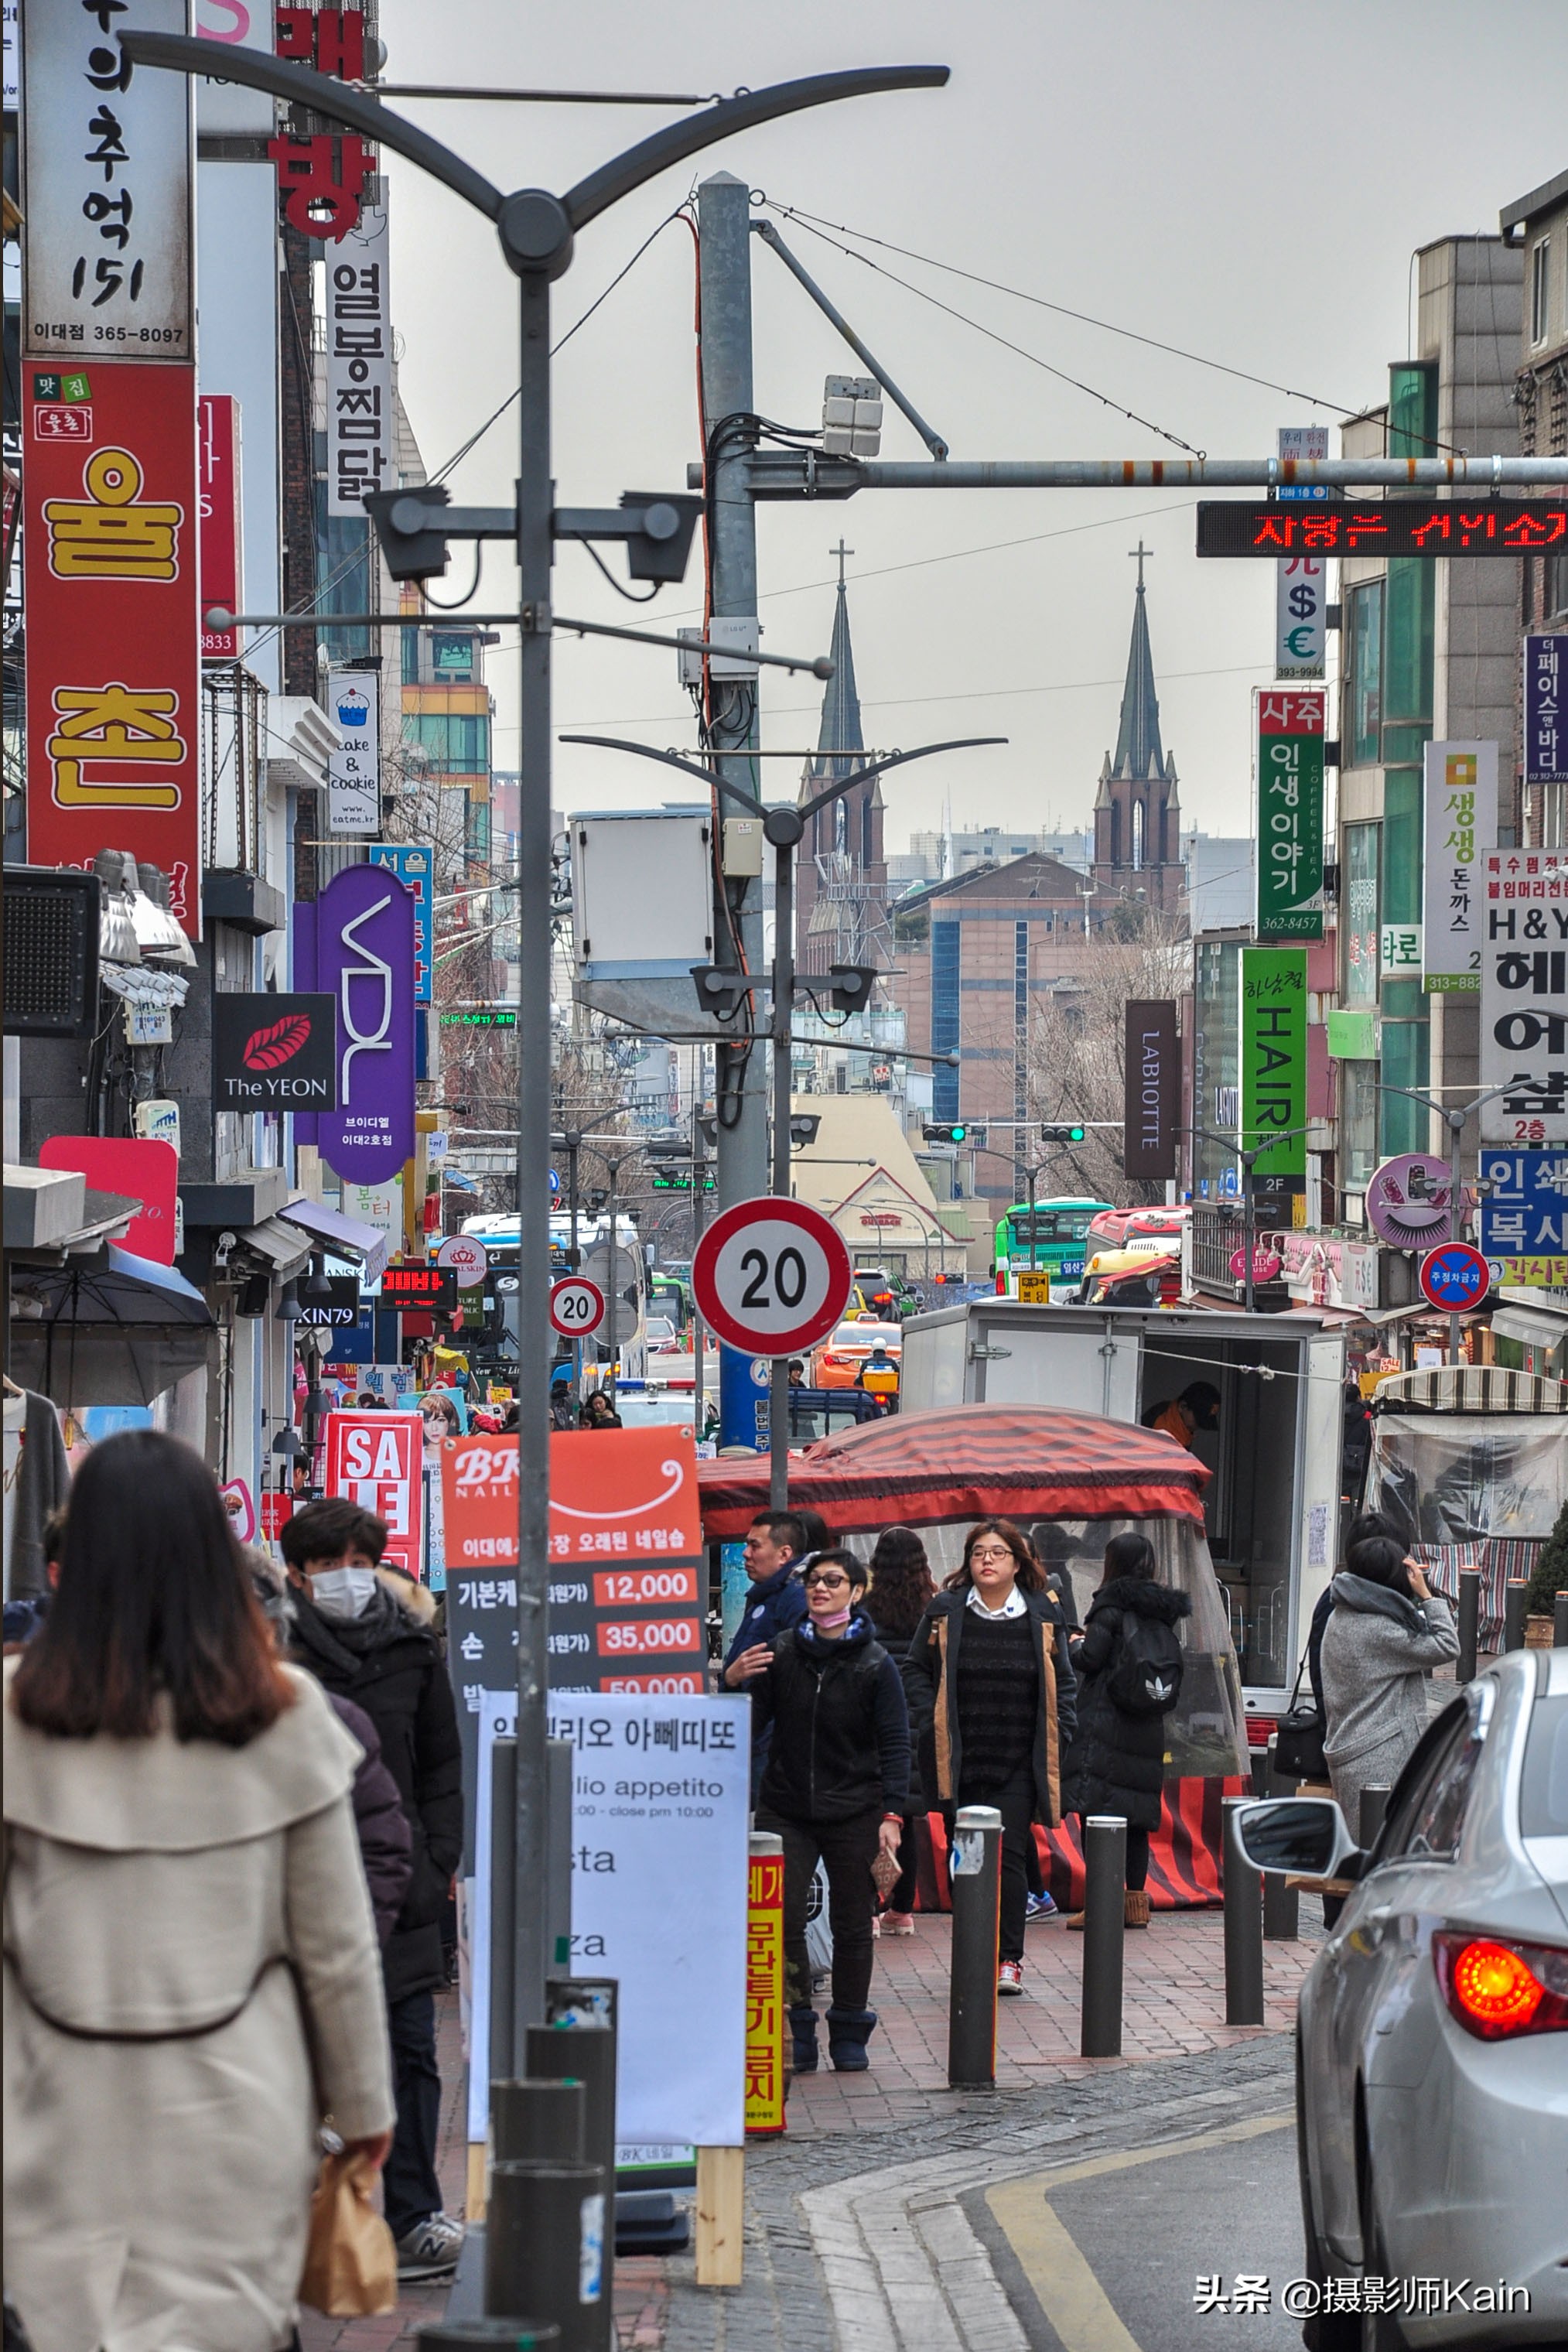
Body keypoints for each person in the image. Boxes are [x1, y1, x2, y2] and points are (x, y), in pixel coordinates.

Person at [3, 1431, 395, 2352]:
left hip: (49, 2105)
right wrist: (365, 2111)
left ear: (76, 1561)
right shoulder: (285, 1718)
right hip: (236, 2101)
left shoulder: (17, 1714)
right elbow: (335, 1949)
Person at [279, 1496, 465, 2283]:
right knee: (290, 2057)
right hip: (299, 1884)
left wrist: (438, 1857)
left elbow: (441, 1762)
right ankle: (291, 2220)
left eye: (362, 1563)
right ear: (298, 1573)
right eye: (331, 1565)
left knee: (411, 2051)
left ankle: (413, 2215)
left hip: (403, 1883)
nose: (349, 1577)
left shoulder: (412, 1648)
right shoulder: (270, 1652)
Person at [746, 1546, 910, 2073]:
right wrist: (733, 1683)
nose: (820, 1588)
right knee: (783, 1918)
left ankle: (849, 2028)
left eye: (833, 1581)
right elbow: (750, 1723)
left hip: (855, 1808)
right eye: (813, 1580)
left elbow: (896, 1743)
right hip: (785, 1806)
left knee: (852, 1922)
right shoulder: (783, 1651)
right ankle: (797, 2025)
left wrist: (892, 1815)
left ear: (856, 1592)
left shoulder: (875, 1663)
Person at [902, 1519, 1078, 1996]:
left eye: (998, 1553)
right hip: (960, 1758)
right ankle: (973, 1951)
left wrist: (1062, 1729)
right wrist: (929, 1719)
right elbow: (915, 1668)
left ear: (1017, 1563)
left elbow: (1064, 1680)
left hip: (1019, 1759)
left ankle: (1008, 1959)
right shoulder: (946, 1609)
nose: (987, 1561)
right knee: (966, 1858)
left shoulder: (1042, 1612)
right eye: (979, 1552)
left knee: (1011, 1857)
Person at [249, 1551, 414, 1946]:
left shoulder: (322, 1716)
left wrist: (346, 1944)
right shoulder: (141, 1726)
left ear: (274, 1626)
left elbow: (380, 1844)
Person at [1061, 1531, 1191, 1930]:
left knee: (1096, 1813)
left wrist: (1073, 1643)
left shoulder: (1110, 1606)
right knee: (1136, 1817)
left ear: (1112, 1563)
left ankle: (1101, 1904)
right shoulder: (1162, 1611)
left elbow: (1091, 1658)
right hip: (1146, 1724)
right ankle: (1135, 1905)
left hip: (1106, 1722)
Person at [1320, 1530, 1459, 1842]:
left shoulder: (1340, 1616)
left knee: (1363, 1852)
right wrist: (1426, 1595)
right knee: (1382, 1853)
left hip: (1354, 1752)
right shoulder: (1380, 1630)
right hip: (1381, 1760)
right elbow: (1447, 1645)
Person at [862, 1526, 938, 1935]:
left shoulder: (866, 1607)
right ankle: (903, 1911)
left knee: (874, 1819)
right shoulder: (933, 1607)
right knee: (907, 1817)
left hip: (879, 1721)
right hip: (919, 1722)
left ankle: (871, 1908)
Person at [722, 1510, 811, 1794]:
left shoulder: (797, 1598)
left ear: (784, 1554)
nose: (745, 1553)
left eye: (755, 1545)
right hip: (752, 1737)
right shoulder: (765, 1595)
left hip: (770, 1747)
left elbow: (798, 1678)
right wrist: (730, 1679)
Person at [1143, 1381, 1221, 1451]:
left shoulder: (1183, 1431)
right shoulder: (1160, 1424)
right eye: (1198, 1417)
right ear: (1182, 1406)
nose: (1198, 1425)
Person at [1340, 1378, 1374, 1508]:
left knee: (1339, 1505)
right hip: (1359, 1467)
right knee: (1358, 1505)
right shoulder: (1367, 1416)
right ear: (1358, 1398)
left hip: (1339, 1468)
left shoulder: (1337, 1415)